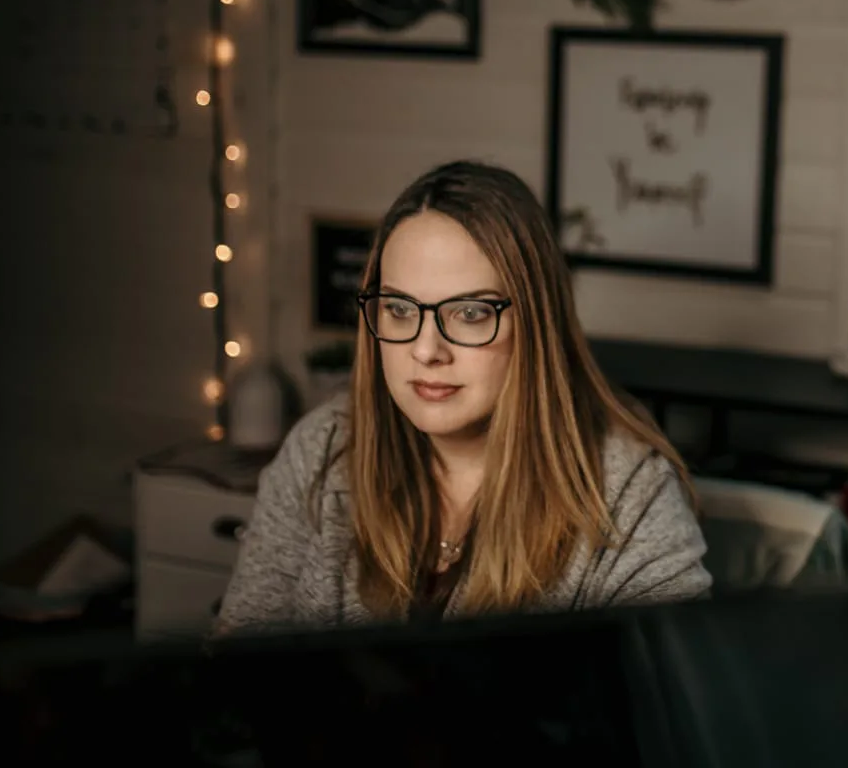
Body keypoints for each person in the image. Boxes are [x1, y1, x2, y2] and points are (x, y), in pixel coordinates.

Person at [214, 161, 712, 635]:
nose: (427, 350)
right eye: (399, 309)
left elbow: (672, 706)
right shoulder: (322, 448)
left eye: (470, 313)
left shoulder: (628, 496)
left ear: (537, 324)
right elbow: (235, 669)